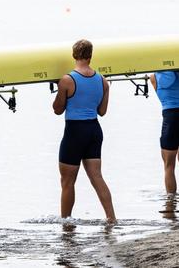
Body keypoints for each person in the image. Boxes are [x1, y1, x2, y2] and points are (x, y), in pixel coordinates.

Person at [52, 39, 116, 223]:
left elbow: (57, 109)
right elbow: (102, 112)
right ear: (90, 56)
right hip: (94, 130)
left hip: (75, 132)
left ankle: (66, 223)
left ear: (74, 55)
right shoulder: (103, 81)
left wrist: (59, 90)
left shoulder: (67, 80)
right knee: (97, 177)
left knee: (67, 182)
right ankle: (111, 218)